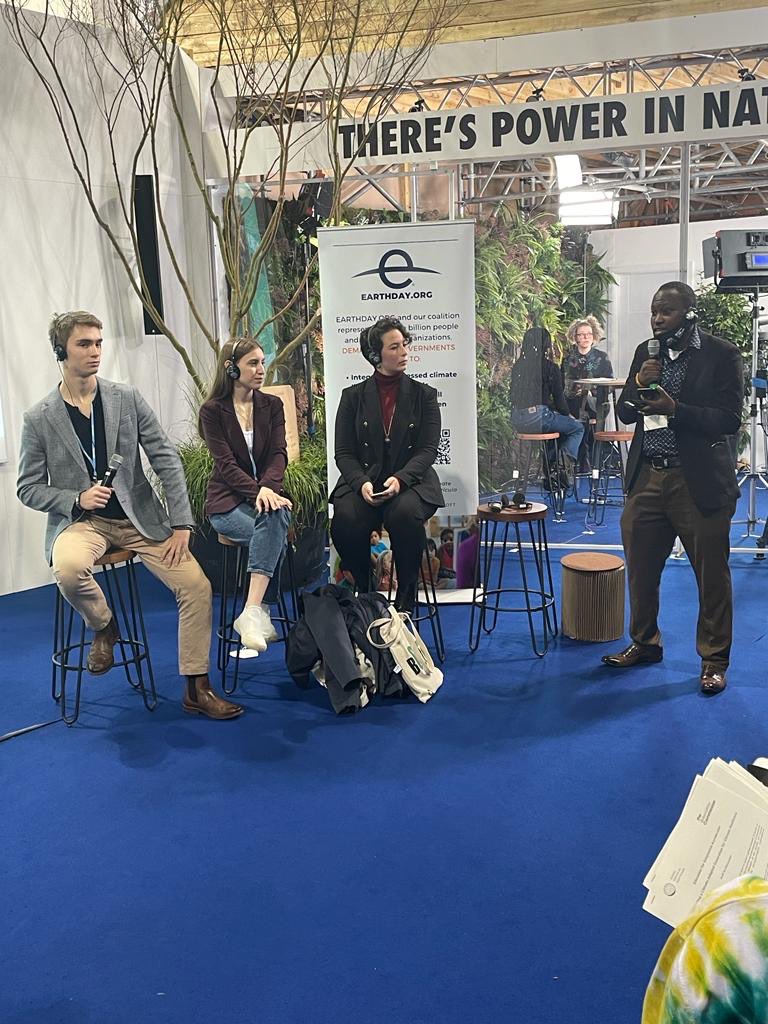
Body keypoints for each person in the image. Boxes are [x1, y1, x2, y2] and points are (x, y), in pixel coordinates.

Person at [17, 311, 243, 719]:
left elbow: (166, 460)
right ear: (60, 351)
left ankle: (197, 687)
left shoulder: (126, 398)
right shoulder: (39, 418)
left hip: (141, 519)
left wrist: (181, 524)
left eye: (99, 343)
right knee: (68, 569)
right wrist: (76, 498)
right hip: (82, 523)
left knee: (195, 585)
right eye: (84, 344)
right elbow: (27, 488)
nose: (95, 351)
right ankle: (104, 627)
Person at [602, 281, 743, 695]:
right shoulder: (647, 353)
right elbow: (627, 411)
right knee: (641, 571)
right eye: (653, 311)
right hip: (648, 477)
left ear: (689, 314)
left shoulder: (721, 354)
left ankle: (714, 660)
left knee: (711, 576)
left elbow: (729, 418)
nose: (657, 318)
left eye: (666, 312)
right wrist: (638, 383)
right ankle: (645, 643)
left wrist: (675, 410)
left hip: (697, 480)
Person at [330, 316, 444, 613]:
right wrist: (361, 483)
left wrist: (401, 480)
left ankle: (407, 593)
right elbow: (343, 452)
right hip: (365, 480)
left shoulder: (425, 395)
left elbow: (428, 449)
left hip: (411, 481)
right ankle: (366, 589)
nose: (404, 352)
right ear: (375, 355)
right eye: (394, 347)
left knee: (404, 514)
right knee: (345, 519)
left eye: (405, 344)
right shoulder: (352, 397)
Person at [198, 337, 292, 653]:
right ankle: (257, 612)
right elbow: (224, 465)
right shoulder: (212, 411)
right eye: (253, 363)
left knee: (276, 517)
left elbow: (280, 454)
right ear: (231, 368)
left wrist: (268, 489)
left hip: (266, 498)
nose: (261, 369)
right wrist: (259, 493)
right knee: (273, 529)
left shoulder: (272, 405)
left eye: (262, 362)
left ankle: (252, 612)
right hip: (226, 503)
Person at [510, 326, 585, 472]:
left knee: (556, 424)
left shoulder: (518, 366)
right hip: (540, 418)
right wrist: (567, 415)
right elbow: (559, 400)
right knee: (577, 428)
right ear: (546, 345)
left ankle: (552, 468)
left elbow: (513, 395)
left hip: (518, 419)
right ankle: (561, 465)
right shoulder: (550, 367)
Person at [562, 316, 614, 467]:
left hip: (597, 404)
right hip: (573, 403)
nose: (585, 337)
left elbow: (610, 384)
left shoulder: (602, 358)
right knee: (579, 406)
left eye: (588, 334)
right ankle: (583, 461)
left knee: (585, 406)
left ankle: (583, 461)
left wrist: (592, 391)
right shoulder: (568, 358)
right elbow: (563, 384)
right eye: (581, 334)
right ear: (575, 337)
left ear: (594, 336)